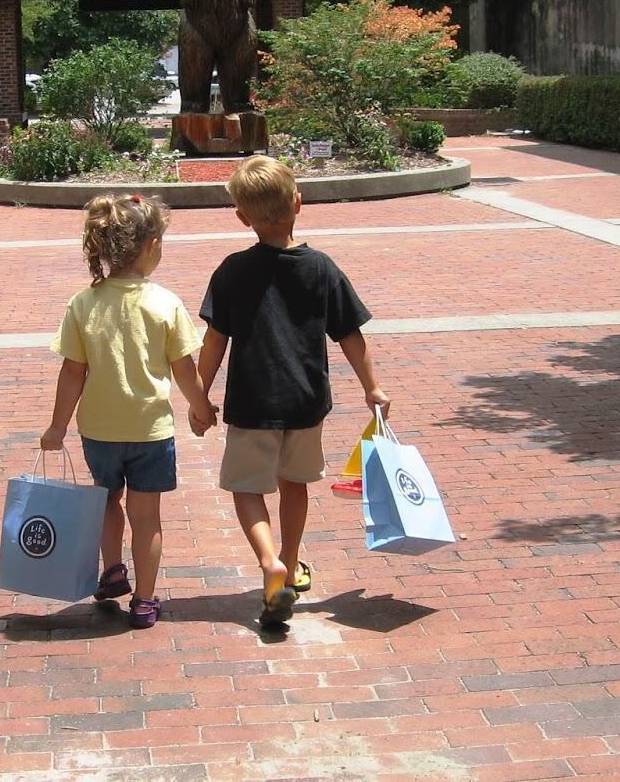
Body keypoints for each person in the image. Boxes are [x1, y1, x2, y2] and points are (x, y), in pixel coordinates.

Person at [194, 156, 389, 626]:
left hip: (252, 402)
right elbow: (350, 334)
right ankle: (292, 557)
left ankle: (270, 563)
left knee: (246, 488)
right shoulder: (321, 268)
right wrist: (373, 387)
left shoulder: (232, 270)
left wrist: (200, 398)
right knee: (294, 483)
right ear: (298, 203)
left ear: (242, 217)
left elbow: (215, 341)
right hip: (306, 400)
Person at [41, 194, 215, 629]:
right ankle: (144, 600)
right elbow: (184, 369)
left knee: (106, 501)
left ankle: (113, 570)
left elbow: (73, 372)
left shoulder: (83, 303)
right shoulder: (165, 303)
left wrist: (57, 427)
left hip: (98, 430)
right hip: (150, 431)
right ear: (151, 245)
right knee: (146, 516)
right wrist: (202, 408)